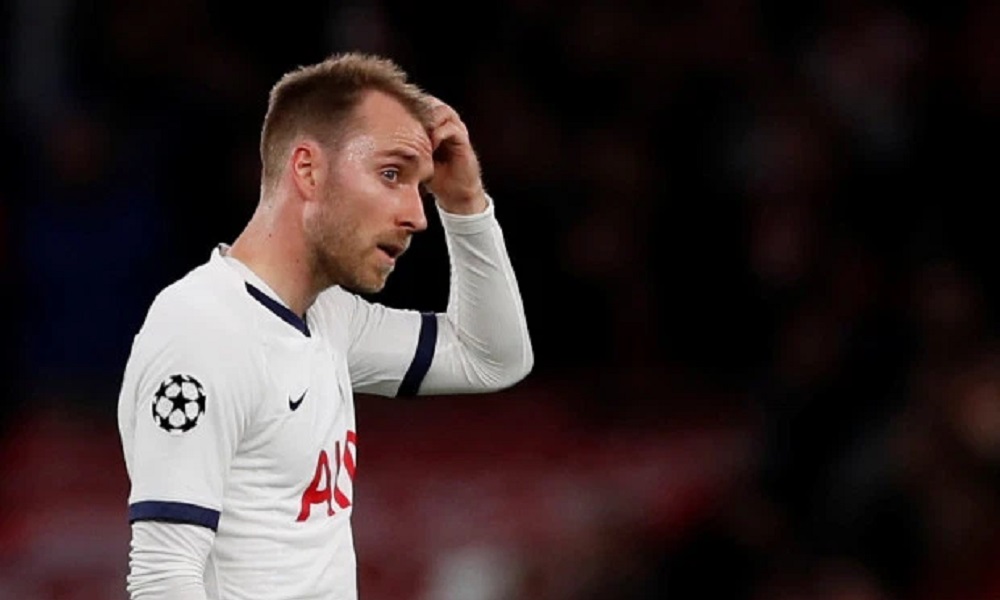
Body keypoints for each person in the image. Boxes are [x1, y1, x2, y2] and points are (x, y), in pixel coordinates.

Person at [116, 52, 533, 599]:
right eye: (391, 174)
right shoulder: (203, 330)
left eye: (420, 186)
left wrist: (464, 203)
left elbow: (492, 358)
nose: (417, 215)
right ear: (308, 170)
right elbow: (162, 579)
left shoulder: (330, 317)